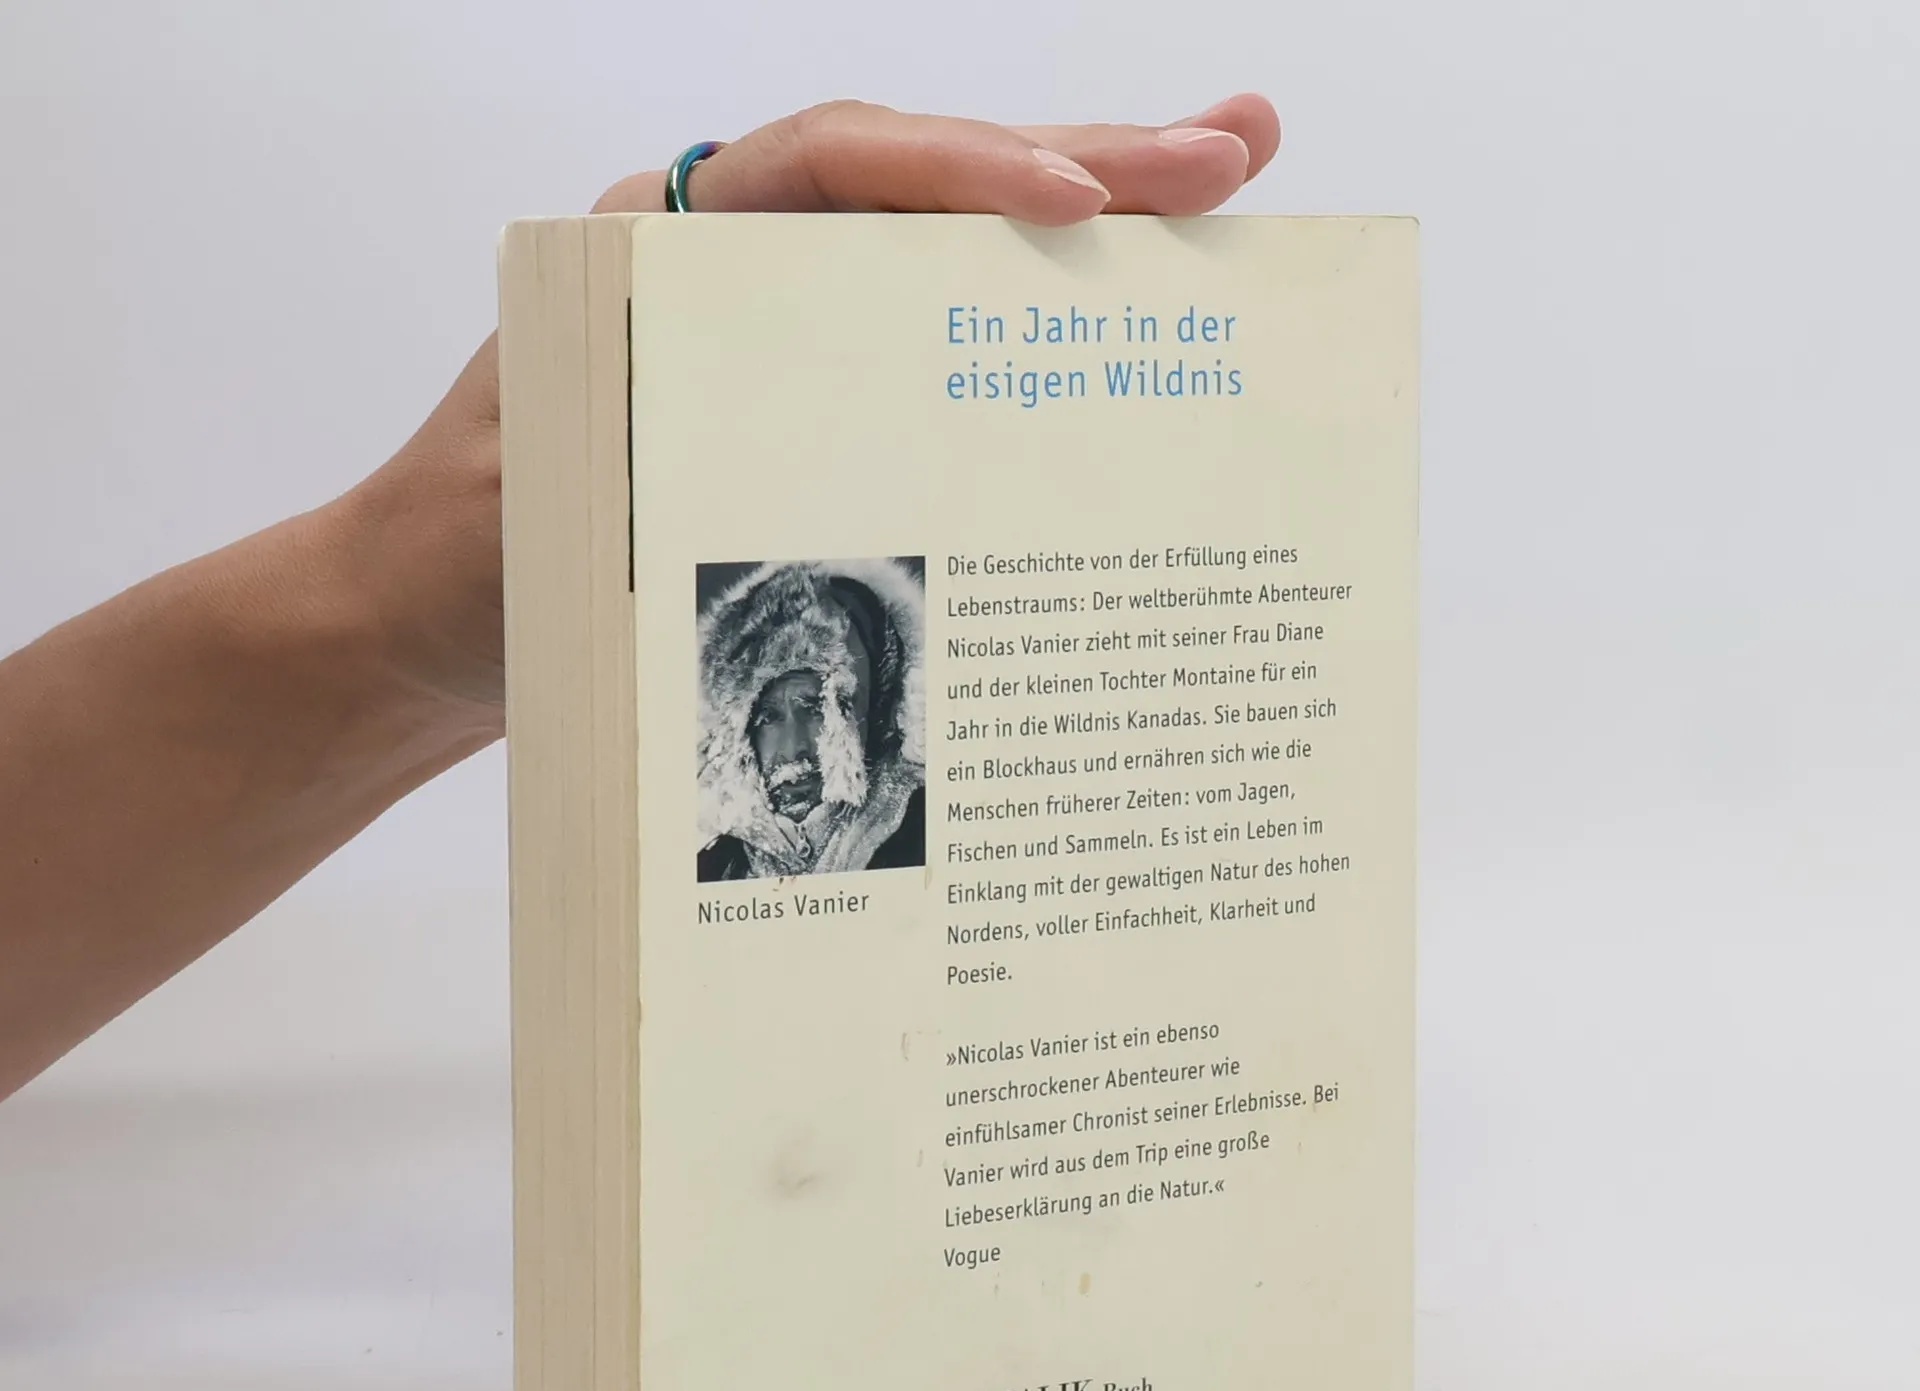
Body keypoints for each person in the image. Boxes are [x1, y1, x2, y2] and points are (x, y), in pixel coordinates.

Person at [0, 95, 1280, 1099]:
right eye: (768, 712)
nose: (792, 742)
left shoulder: (909, 815)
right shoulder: (729, 856)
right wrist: (393, 607)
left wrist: (394, 610)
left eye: (816, 704)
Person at [696, 558, 925, 881]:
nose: (793, 749)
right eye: (768, 718)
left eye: (815, 709)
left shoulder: (921, 834)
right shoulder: (717, 868)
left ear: (869, 712)